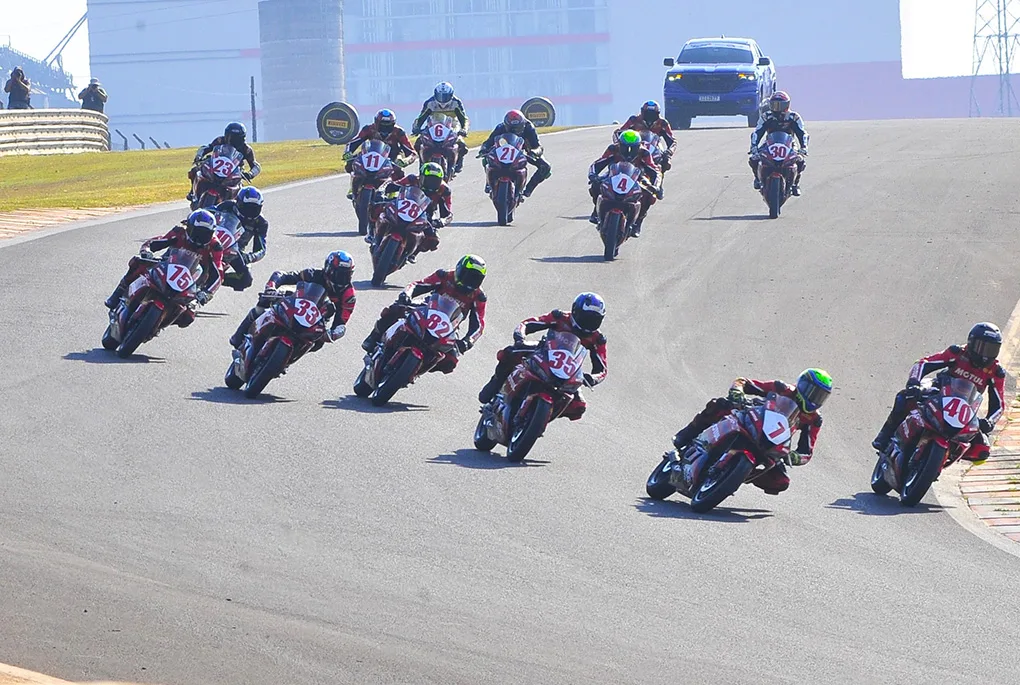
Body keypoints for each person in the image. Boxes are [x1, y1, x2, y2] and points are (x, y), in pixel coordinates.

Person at [672, 369, 833, 494]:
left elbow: (807, 452)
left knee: (781, 481)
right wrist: (737, 391)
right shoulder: (782, 388)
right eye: (812, 392)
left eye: (820, 396)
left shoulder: (814, 419)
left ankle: (736, 475)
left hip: (772, 443)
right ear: (802, 384)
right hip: (753, 419)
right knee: (719, 405)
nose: (814, 399)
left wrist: (794, 456)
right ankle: (686, 436)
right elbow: (743, 382)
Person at [872, 323, 1005, 461]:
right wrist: (913, 382)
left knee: (983, 450)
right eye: (981, 347)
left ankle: (948, 456)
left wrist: (989, 422)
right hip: (938, 391)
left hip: (965, 408)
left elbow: (999, 405)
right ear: (971, 343)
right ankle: (885, 437)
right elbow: (923, 363)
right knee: (904, 398)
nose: (984, 355)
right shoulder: (957, 353)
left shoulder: (996, 372)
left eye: (991, 350)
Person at [477, 292, 608, 422]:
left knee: (579, 407)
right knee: (510, 352)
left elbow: (602, 369)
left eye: (594, 320)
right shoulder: (560, 317)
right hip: (543, 352)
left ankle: (541, 417)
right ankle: (496, 383)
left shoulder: (598, 339)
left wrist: (592, 378)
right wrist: (520, 337)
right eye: (587, 318)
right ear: (575, 311)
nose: (589, 324)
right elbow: (528, 324)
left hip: (569, 370)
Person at [360, 255, 487, 376]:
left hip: (449, 325)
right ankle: (373, 337)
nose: (469, 281)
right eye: (467, 276)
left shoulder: (479, 296)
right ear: (459, 269)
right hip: (426, 308)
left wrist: (467, 341)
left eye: (475, 279)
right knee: (395, 309)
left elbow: (479, 325)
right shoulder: (445, 275)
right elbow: (418, 285)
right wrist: (407, 295)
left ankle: (416, 369)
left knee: (451, 361)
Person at [104, 209, 225, 326]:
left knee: (188, 317)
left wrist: (207, 292)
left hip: (192, 282)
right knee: (139, 263)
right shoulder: (180, 232)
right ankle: (118, 293)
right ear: (189, 228)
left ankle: (159, 323)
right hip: (166, 267)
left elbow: (218, 274)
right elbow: (156, 242)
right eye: (197, 233)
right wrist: (146, 251)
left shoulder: (215, 246)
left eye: (204, 235)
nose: (199, 239)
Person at [229, 251, 356, 350]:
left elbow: (342, 320)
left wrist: (333, 332)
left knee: (318, 344)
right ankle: (239, 337)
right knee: (264, 302)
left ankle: (288, 358)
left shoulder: (348, 295)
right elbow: (284, 276)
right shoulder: (313, 274)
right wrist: (271, 287)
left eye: (346, 275)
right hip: (296, 305)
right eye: (338, 274)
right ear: (328, 269)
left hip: (316, 319)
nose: (342, 279)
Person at [368, 162, 451, 258]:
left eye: (435, 181)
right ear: (421, 177)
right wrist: (381, 192)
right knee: (378, 206)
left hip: (426, 212)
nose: (431, 184)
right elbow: (393, 185)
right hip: (405, 204)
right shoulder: (412, 179)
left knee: (434, 239)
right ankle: (371, 232)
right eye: (429, 180)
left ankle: (413, 252)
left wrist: (442, 221)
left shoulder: (444, 190)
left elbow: (448, 212)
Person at [587, 129, 662, 235]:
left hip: (637, 178)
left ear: (639, 145)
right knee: (596, 185)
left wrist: (656, 186)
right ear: (620, 144)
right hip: (613, 175)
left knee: (650, 196)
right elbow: (598, 163)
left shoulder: (644, 152)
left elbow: (655, 171)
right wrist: (593, 175)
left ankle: (638, 222)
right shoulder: (613, 149)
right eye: (625, 148)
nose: (629, 151)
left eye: (633, 148)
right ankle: (596, 210)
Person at [477, 109, 552, 199]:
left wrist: (534, 152)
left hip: (523, 151)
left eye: (517, 128)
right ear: (506, 125)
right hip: (503, 150)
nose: (514, 131)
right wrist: (483, 150)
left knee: (545, 167)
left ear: (522, 125)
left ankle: (526, 191)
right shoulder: (500, 127)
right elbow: (488, 142)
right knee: (486, 158)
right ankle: (489, 181)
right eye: (511, 129)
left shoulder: (529, 127)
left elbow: (538, 146)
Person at [344, 109, 415, 198]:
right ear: (376, 123)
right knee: (352, 162)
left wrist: (406, 161)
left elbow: (411, 152)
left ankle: (393, 192)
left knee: (397, 169)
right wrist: (348, 152)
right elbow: (354, 142)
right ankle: (354, 185)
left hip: (391, 157)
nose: (384, 129)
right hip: (371, 155)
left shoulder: (399, 132)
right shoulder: (368, 129)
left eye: (388, 126)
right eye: (382, 126)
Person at [749, 91, 808, 195]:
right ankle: (758, 179)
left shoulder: (794, 117)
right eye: (774, 105)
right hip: (769, 143)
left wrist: (803, 148)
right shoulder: (766, 116)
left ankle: (795, 184)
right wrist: (754, 146)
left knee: (800, 160)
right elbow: (757, 132)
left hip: (789, 145)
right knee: (754, 159)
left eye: (780, 105)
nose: (777, 108)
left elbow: (802, 133)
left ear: (787, 105)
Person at [188, 122, 261, 202]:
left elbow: (256, 166)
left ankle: (234, 207)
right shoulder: (220, 140)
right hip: (215, 166)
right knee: (195, 170)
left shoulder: (246, 149)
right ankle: (193, 192)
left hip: (234, 172)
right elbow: (207, 147)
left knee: (240, 190)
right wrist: (199, 156)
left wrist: (250, 174)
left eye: (236, 139)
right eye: (230, 137)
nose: (232, 141)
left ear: (242, 138)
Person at [214, 186, 268, 291]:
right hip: (215, 240)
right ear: (238, 203)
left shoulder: (261, 223)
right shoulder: (228, 205)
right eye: (247, 207)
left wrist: (250, 257)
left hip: (235, 251)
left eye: (254, 208)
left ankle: (216, 279)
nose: (250, 212)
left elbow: (261, 249)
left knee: (246, 280)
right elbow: (211, 212)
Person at [411, 82, 470, 174]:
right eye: (440, 96)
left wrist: (464, 130)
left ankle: (458, 161)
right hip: (433, 125)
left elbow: (463, 118)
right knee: (418, 143)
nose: (442, 99)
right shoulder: (430, 103)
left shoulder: (456, 102)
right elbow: (420, 118)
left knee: (462, 144)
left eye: (445, 96)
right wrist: (416, 128)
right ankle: (422, 163)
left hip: (452, 126)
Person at [614, 100, 676, 170]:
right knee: (617, 157)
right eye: (647, 114)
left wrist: (668, 153)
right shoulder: (634, 120)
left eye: (652, 114)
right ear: (642, 112)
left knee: (665, 164)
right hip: (635, 146)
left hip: (655, 147)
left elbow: (672, 141)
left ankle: (657, 176)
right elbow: (619, 133)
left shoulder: (663, 123)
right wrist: (619, 145)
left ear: (658, 114)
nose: (649, 116)